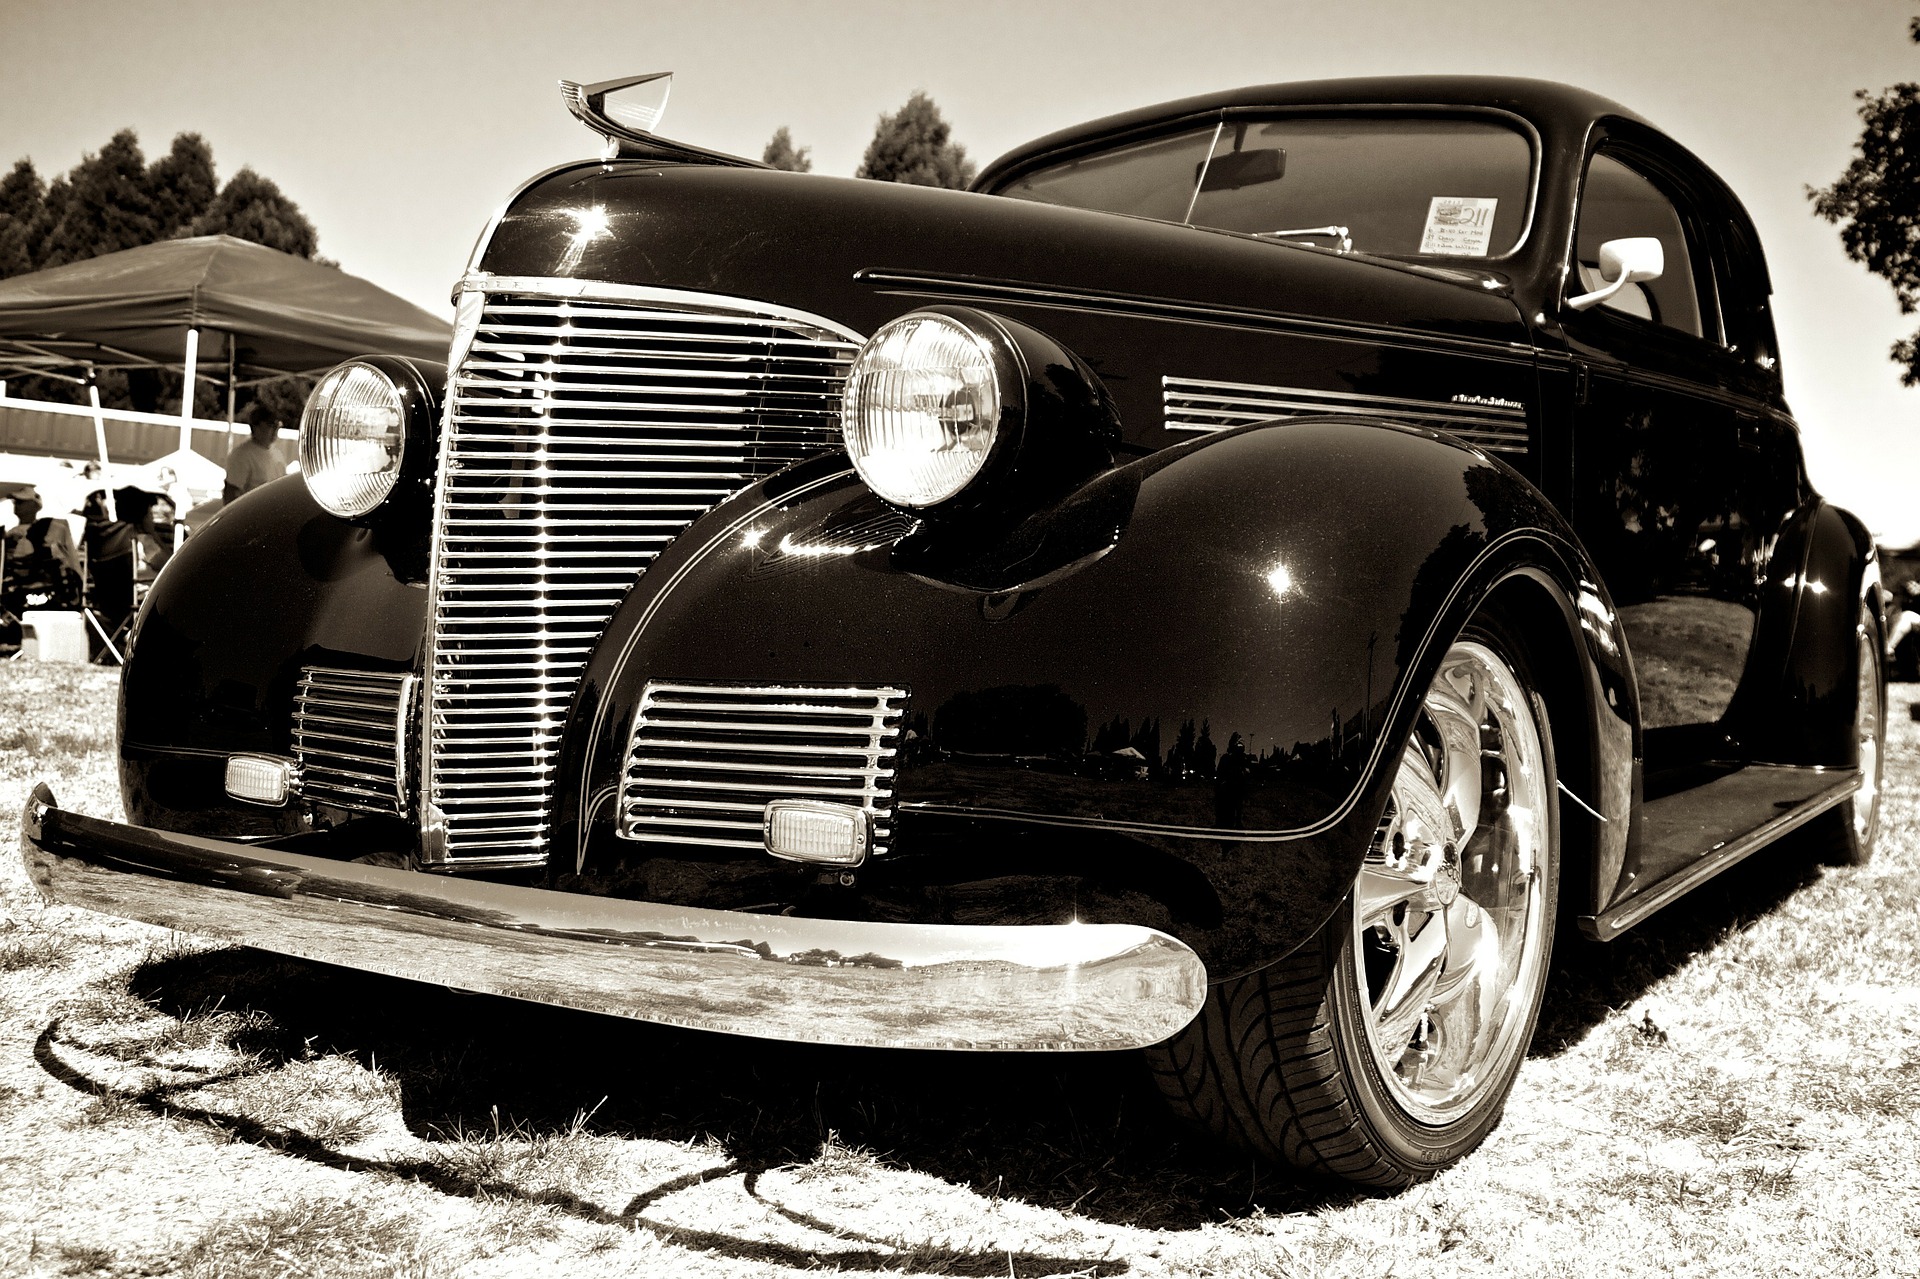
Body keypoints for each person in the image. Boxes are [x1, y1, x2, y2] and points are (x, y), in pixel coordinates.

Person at [224, 413, 284, 502]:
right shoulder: (242, 455)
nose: (275, 430)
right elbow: (231, 493)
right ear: (256, 427)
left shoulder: (278, 455)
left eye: (278, 426)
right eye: (271, 425)